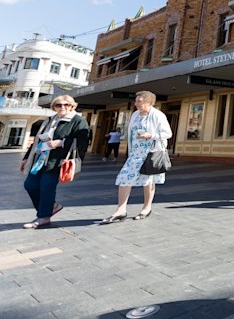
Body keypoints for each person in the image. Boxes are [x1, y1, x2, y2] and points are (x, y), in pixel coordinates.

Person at [100, 91, 172, 224]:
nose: (136, 103)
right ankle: (121, 210)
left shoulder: (157, 115)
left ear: (149, 102)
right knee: (124, 178)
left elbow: (168, 133)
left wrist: (150, 135)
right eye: (136, 101)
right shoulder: (135, 115)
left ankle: (146, 207)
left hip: (150, 152)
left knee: (149, 180)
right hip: (135, 153)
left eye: (139, 101)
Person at [19, 95, 89, 229]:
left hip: (57, 161)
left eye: (66, 105)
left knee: (47, 187)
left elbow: (83, 141)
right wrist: (26, 158)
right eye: (58, 105)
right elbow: (37, 141)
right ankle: (51, 206)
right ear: (54, 107)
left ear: (72, 106)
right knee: (30, 185)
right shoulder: (50, 120)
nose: (62, 107)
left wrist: (60, 142)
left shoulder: (78, 121)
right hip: (40, 159)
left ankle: (43, 217)